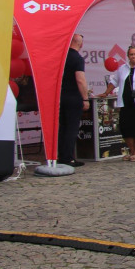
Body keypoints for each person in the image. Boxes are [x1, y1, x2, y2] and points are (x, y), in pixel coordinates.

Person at [58, 33, 89, 168]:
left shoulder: (61, 57)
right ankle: (68, 158)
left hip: (60, 97)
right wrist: (85, 98)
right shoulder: (77, 58)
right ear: (80, 44)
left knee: (62, 128)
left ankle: (60, 155)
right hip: (73, 97)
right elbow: (80, 80)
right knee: (71, 128)